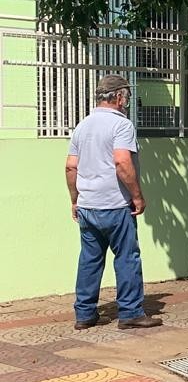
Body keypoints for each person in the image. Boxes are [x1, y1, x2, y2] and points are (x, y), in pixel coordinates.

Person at [65, 75, 163, 330]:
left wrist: (75, 200)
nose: (127, 101)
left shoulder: (82, 126)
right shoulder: (121, 125)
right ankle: (130, 312)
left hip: (88, 206)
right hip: (115, 204)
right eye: (126, 96)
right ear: (119, 97)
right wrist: (137, 196)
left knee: (90, 259)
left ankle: (84, 314)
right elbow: (122, 162)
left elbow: (70, 167)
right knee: (127, 257)